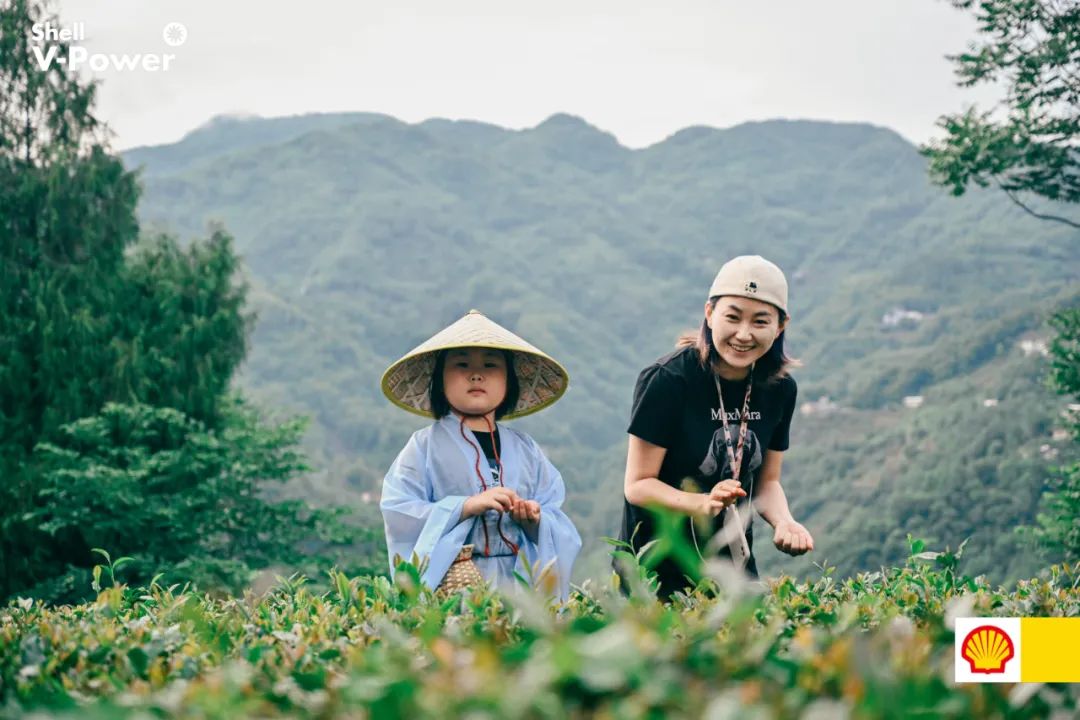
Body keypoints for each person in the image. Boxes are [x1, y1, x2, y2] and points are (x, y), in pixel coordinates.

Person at [618, 255, 814, 597]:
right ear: (709, 314)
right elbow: (638, 485)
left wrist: (784, 521)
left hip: (733, 570)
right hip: (655, 572)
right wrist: (701, 503)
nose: (744, 334)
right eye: (732, 317)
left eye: (760, 321)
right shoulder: (668, 380)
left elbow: (767, 482)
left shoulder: (780, 389)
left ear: (781, 326)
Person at [379, 309, 581, 599]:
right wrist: (464, 506)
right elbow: (399, 510)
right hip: (453, 584)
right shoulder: (423, 446)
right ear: (440, 378)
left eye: (490, 365)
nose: (476, 375)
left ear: (509, 380)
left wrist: (535, 520)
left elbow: (556, 517)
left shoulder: (527, 449)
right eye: (461, 364)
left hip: (518, 585)